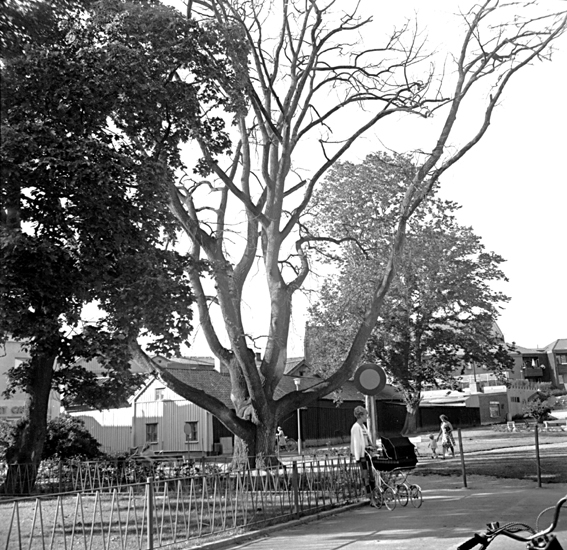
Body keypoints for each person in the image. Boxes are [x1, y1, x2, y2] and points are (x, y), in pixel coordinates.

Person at [350, 405, 378, 507]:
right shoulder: (356, 427)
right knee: (366, 478)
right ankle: (371, 499)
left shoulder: (363, 427)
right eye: (366, 414)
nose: (367, 416)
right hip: (362, 456)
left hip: (368, 454)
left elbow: (366, 440)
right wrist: (358, 457)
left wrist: (372, 446)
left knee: (372, 477)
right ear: (361, 415)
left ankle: (375, 497)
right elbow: (356, 443)